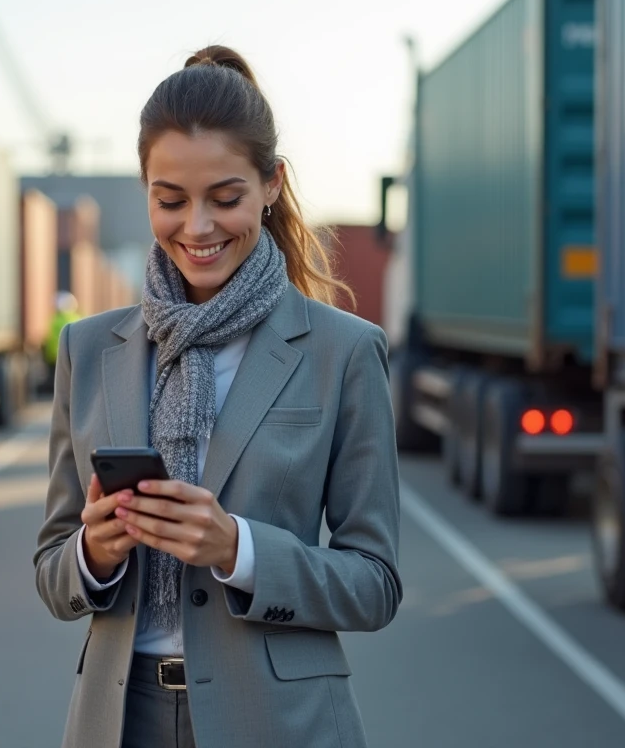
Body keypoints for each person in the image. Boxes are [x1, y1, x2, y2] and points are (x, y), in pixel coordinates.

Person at [34, 46, 403, 748]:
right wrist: (96, 552)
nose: (197, 227)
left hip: (278, 724)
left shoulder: (343, 351)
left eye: (225, 198)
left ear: (271, 185)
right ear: (145, 190)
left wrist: (238, 548)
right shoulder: (87, 349)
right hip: (119, 722)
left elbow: (375, 582)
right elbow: (54, 569)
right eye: (170, 200)